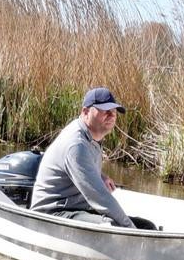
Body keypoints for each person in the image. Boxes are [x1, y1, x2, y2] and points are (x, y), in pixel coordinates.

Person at [30, 87, 154, 229]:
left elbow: (82, 167)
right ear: (85, 112)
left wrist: (100, 176)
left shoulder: (91, 136)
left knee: (146, 225)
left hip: (76, 207)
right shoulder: (76, 145)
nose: (111, 115)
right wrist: (131, 229)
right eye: (105, 111)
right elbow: (99, 197)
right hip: (52, 213)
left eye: (114, 111)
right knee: (111, 225)